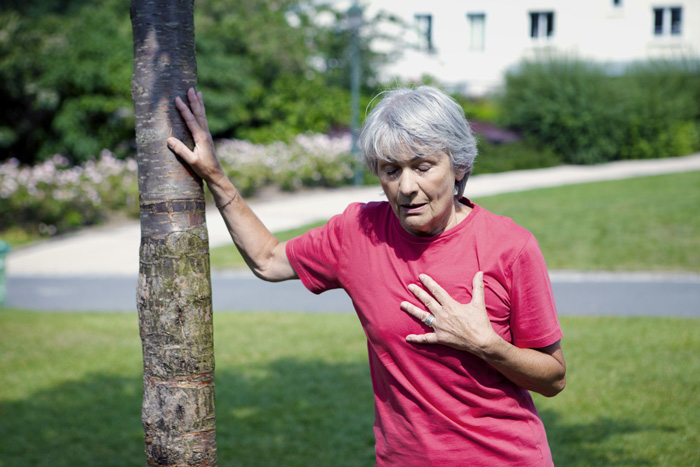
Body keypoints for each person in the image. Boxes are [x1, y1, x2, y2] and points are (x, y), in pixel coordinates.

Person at [168, 86, 566, 466]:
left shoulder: (510, 247)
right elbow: (268, 259)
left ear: (458, 164)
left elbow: (553, 378)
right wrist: (214, 176)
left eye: (423, 166)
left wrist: (487, 345)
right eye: (392, 170)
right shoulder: (358, 232)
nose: (407, 187)